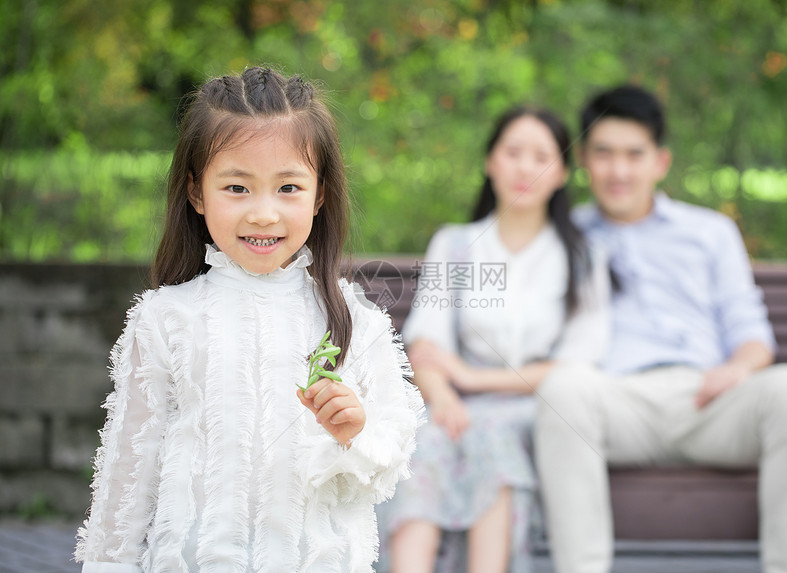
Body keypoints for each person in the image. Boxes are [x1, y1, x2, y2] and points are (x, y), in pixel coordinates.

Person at [74, 67, 424, 572]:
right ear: (197, 193)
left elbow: (392, 451)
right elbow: (128, 479)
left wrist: (354, 429)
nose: (263, 213)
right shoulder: (166, 319)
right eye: (237, 187)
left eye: (288, 187)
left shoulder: (355, 323)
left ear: (320, 193)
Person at [535, 85, 787, 573]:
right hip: (614, 402)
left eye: (635, 154)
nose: (619, 170)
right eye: (604, 154)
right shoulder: (565, 237)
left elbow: (752, 331)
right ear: (584, 160)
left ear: (661, 161)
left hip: (710, 401)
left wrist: (738, 369)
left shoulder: (710, 231)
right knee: (562, 388)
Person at [377, 106, 611, 573]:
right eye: (513, 152)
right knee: (426, 440)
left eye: (541, 155)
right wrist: (442, 396)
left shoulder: (583, 256)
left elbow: (576, 366)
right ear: (491, 162)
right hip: (456, 406)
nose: (526, 167)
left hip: (536, 411)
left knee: (490, 435)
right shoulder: (457, 243)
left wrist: (470, 379)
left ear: (563, 171)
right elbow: (426, 344)